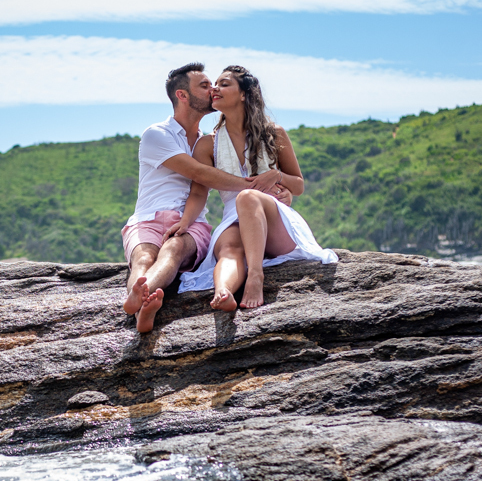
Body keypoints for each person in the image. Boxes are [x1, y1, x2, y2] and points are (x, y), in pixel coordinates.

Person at [175, 65, 337, 309]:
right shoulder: (207, 145)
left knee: (248, 197)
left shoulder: (275, 134)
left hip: (274, 220)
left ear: (244, 94)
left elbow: (299, 185)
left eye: (225, 83)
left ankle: (255, 276)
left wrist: (276, 176)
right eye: (214, 84)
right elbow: (199, 192)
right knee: (229, 248)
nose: (215, 88)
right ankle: (223, 293)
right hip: (233, 218)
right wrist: (185, 223)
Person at [122, 63, 268, 333]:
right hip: (147, 218)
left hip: (191, 222)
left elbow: (200, 185)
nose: (212, 89)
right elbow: (199, 173)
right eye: (204, 85)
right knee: (143, 258)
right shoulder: (157, 134)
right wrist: (256, 184)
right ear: (182, 95)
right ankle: (140, 303)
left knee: (173, 250)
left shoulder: (207, 142)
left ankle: (141, 301)